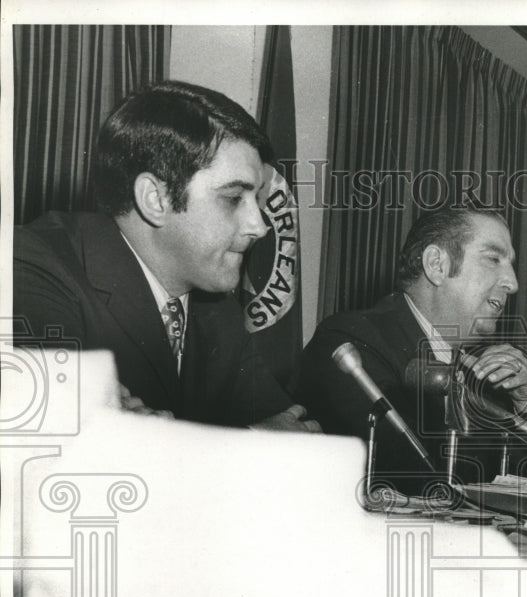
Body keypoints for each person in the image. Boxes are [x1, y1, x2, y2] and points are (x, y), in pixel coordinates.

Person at [13, 80, 319, 431]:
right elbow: (77, 456)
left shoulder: (218, 310)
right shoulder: (31, 267)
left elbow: (296, 429)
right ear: (155, 200)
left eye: (258, 201)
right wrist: (252, 442)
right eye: (234, 198)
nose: (260, 227)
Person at [297, 206, 527, 487]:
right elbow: (416, 470)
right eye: (493, 259)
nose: (512, 283)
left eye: (510, 265)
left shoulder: (476, 364)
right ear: (437, 265)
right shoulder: (351, 343)